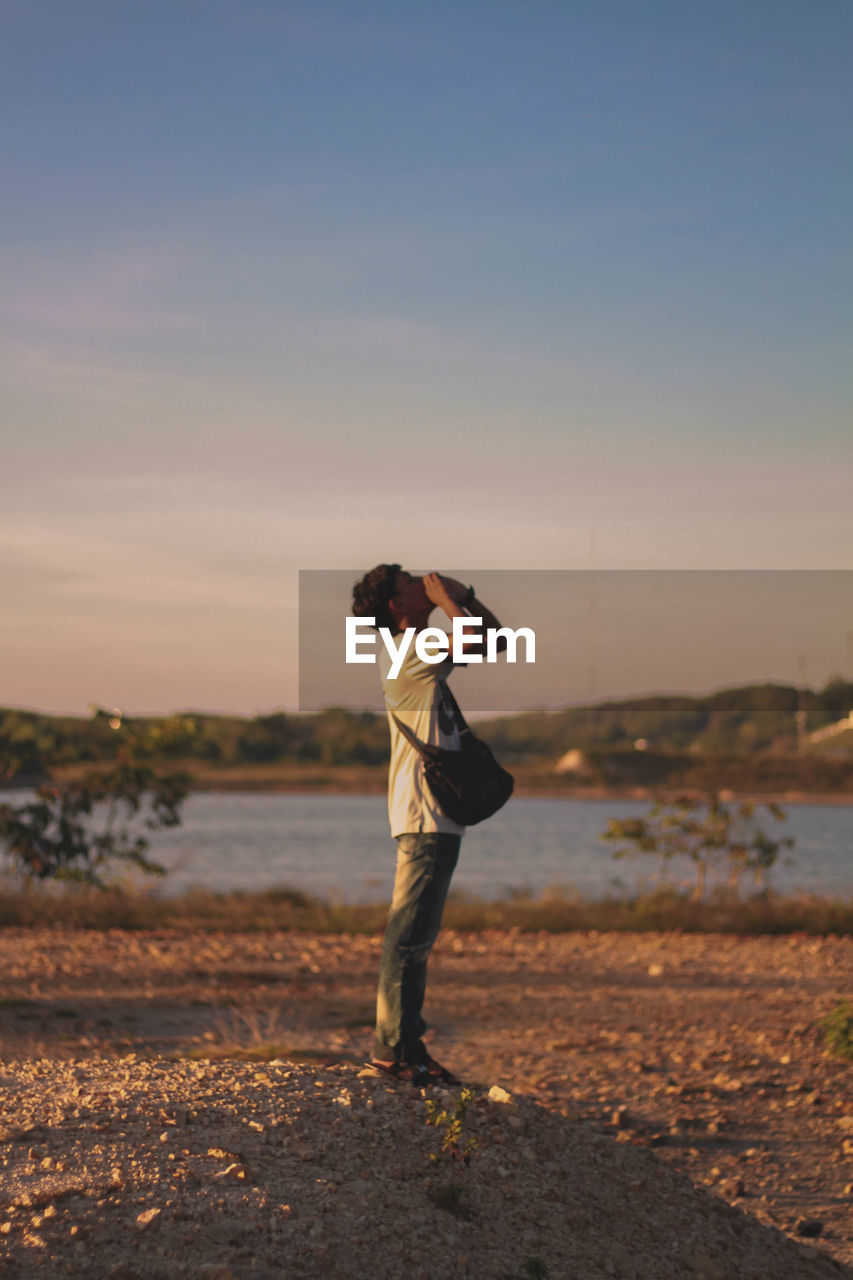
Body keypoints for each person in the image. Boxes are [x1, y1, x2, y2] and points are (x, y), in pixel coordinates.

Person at [350, 565, 506, 1085]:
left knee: (417, 934)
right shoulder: (406, 653)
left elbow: (494, 641)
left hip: (428, 812)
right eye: (413, 583)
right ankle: (392, 1051)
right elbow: (474, 637)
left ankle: (406, 1047)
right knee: (409, 935)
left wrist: (467, 598)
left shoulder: (418, 647)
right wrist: (450, 600)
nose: (424, 581)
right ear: (398, 606)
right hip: (423, 811)